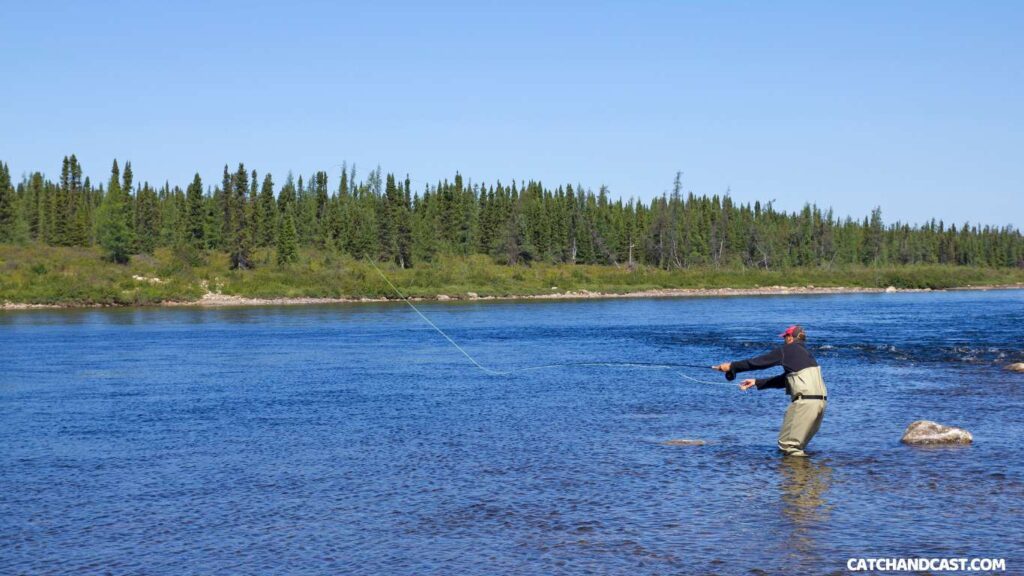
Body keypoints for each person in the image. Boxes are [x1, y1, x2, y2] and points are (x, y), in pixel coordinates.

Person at [713, 325, 827, 457]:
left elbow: (758, 362)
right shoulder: (807, 355)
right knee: (797, 447)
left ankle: (795, 476)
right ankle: (809, 476)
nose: (784, 340)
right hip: (819, 405)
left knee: (788, 446)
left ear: (790, 338)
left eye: (784, 337)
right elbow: (786, 380)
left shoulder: (788, 349)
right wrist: (757, 382)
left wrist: (732, 366)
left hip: (805, 404)